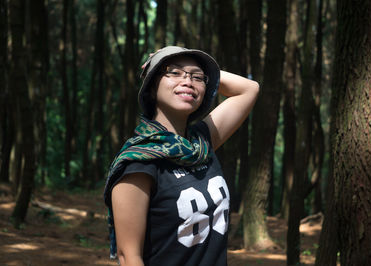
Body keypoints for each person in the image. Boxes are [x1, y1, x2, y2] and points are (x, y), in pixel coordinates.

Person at [104, 46, 259, 266]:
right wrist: (158, 63)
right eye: (174, 72)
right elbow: (129, 256)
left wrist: (204, 71)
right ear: (151, 85)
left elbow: (249, 88)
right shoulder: (138, 163)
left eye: (197, 77)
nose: (187, 81)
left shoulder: (202, 144)